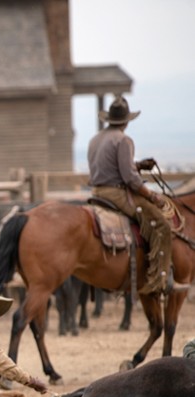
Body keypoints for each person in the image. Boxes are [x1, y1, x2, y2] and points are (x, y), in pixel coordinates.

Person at [88, 95, 171, 295]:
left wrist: (138, 165)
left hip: (96, 191)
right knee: (161, 224)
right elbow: (130, 179)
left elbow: (113, 167)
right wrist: (152, 196)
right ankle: (158, 279)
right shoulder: (124, 140)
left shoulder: (96, 138)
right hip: (116, 193)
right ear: (126, 121)